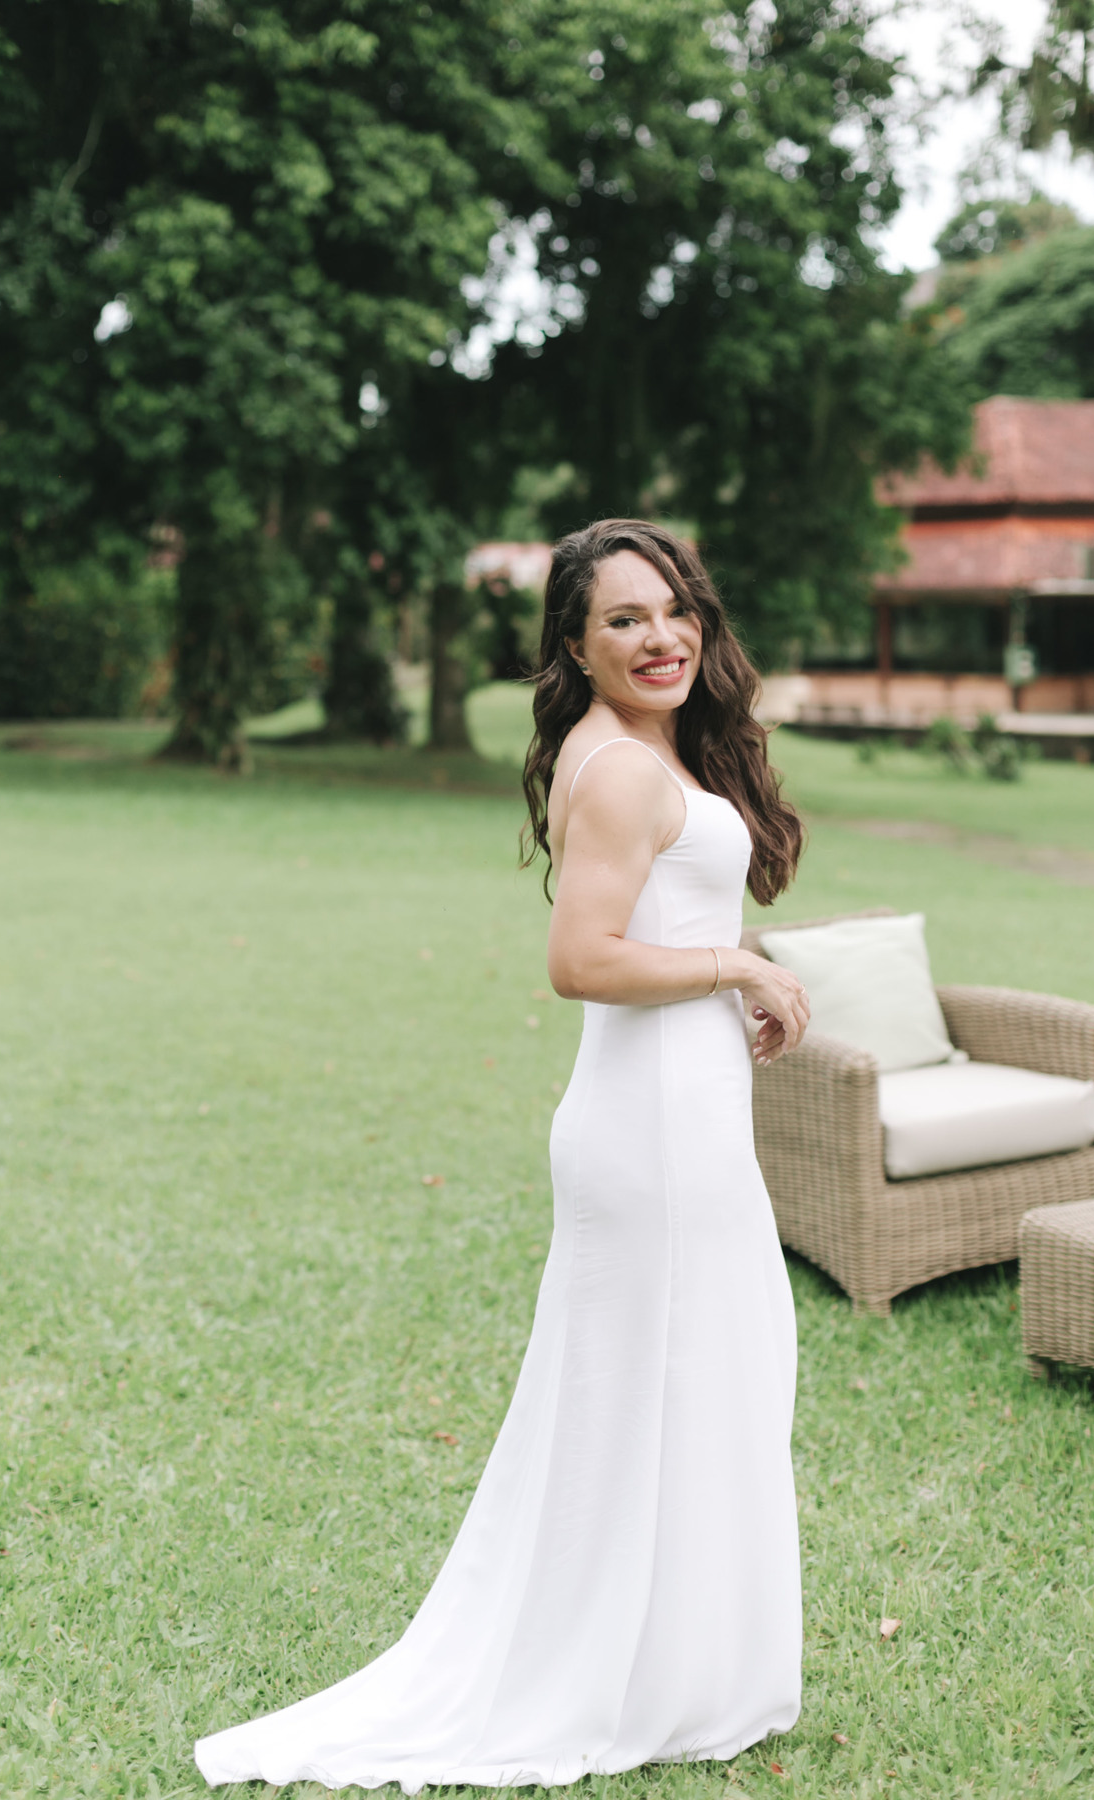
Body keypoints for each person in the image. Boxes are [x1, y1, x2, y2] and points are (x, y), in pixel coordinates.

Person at [195, 519, 810, 1792]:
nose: (661, 637)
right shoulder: (624, 770)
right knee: (665, 1393)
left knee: (684, 1391)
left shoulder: (636, 750)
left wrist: (729, 969)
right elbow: (580, 959)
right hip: (652, 1135)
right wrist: (737, 966)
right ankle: (629, 1677)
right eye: (624, 620)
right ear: (576, 647)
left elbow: (650, 923)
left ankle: (668, 1666)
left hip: (675, 1120)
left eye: (676, 608)